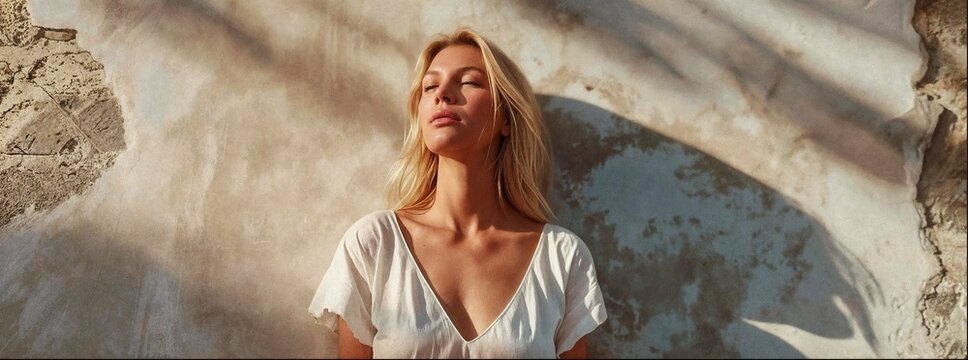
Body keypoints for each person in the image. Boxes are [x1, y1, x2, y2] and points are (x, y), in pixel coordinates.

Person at [309, 27, 607, 358]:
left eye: (468, 82)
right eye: (430, 86)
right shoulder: (375, 243)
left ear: (505, 118)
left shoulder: (562, 257)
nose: (443, 95)